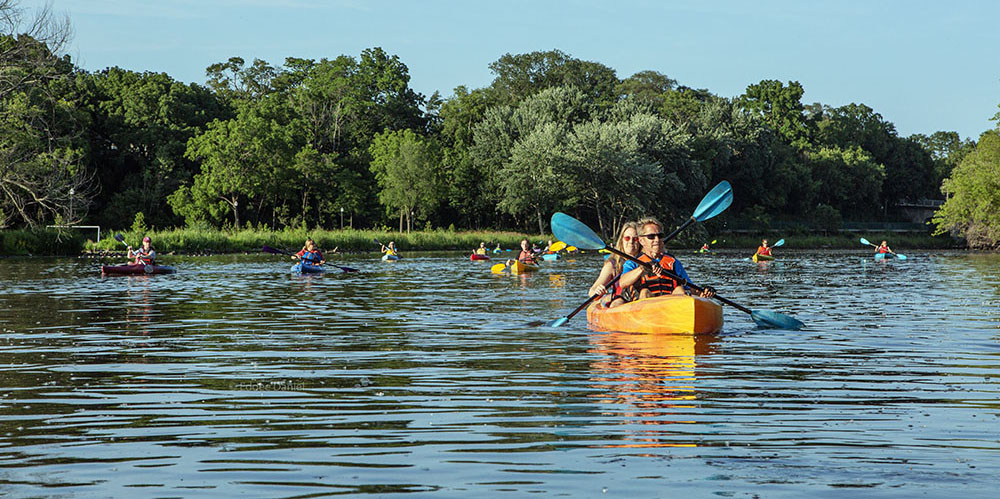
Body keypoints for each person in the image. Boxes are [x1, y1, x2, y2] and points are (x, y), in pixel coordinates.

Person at [618, 217, 715, 300]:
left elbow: (690, 287)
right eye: (651, 236)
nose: (657, 240)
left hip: (669, 305)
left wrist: (703, 291)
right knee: (645, 292)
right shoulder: (633, 262)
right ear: (641, 240)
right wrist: (643, 268)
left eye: (659, 236)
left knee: (680, 290)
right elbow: (623, 283)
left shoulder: (673, 262)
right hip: (646, 306)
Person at [588, 222, 641, 308]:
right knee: (617, 303)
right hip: (620, 302)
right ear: (622, 240)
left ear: (640, 242)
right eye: (627, 238)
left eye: (635, 239)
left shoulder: (646, 260)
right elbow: (592, 291)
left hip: (641, 300)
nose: (631, 242)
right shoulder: (612, 264)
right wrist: (598, 291)